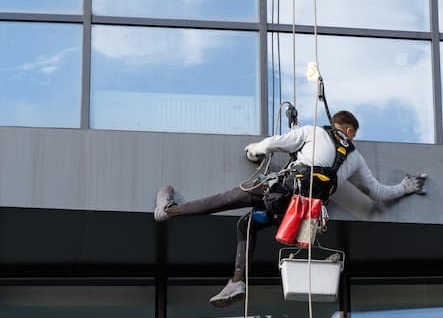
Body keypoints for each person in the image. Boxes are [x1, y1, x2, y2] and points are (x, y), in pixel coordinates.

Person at [154, 110, 426, 307]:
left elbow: (274, 143)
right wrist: (406, 187)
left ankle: (170, 211)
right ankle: (237, 280)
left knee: (230, 197)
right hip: (297, 215)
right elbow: (377, 193)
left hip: (281, 191)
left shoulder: (313, 132)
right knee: (249, 223)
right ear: (351, 132)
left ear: (335, 124)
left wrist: (253, 151)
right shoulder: (354, 158)